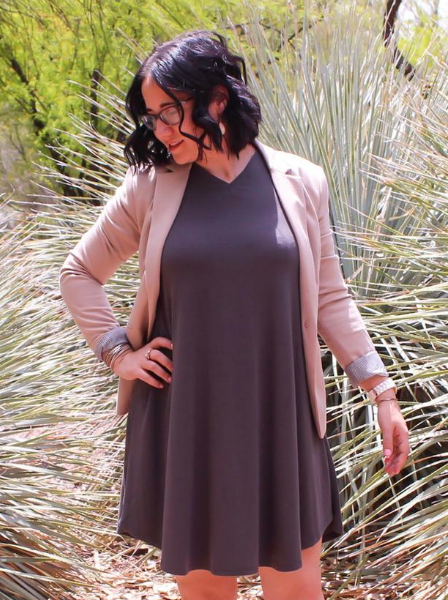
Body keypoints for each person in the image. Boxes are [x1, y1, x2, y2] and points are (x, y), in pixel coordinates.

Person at [58, 29, 410, 600]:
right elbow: (78, 274)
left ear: (217, 99)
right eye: (152, 117)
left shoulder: (300, 182)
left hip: (281, 415)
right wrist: (118, 352)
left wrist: (381, 391)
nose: (161, 131)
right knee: (204, 593)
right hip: (185, 416)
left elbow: (329, 297)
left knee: (296, 588)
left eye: (170, 112)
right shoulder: (150, 186)